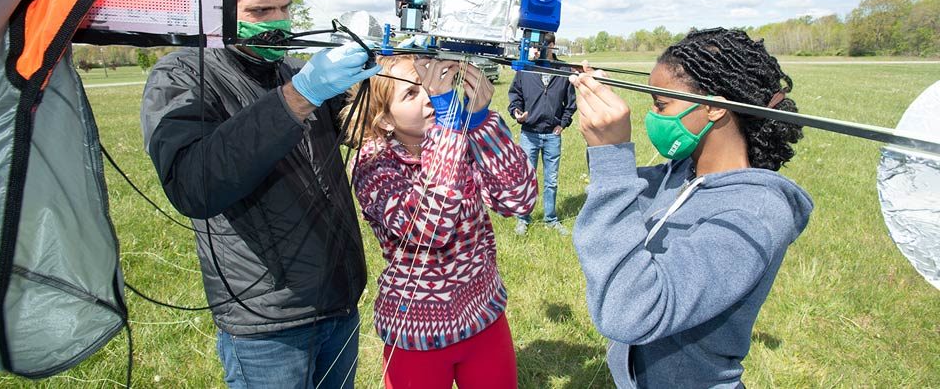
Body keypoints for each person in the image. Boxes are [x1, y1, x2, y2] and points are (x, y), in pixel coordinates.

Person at [140, 0, 380, 389]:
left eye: (284, 8)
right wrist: (298, 98)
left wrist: (385, 66)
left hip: (338, 301)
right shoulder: (182, 76)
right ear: (217, 13)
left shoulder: (293, 70)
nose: (278, 22)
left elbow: (357, 129)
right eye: (260, 12)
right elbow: (195, 184)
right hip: (268, 325)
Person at [568, 28, 812, 388]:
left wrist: (611, 155)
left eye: (661, 104)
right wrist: (601, 132)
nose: (653, 115)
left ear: (714, 106)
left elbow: (629, 312)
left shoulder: (753, 217)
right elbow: (626, 191)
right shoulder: (687, 172)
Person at [345, 55, 537, 388]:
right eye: (411, 94)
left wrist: (479, 121)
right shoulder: (373, 165)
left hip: (483, 315)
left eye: (433, 86)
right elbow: (429, 228)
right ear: (386, 119)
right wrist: (449, 129)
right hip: (417, 334)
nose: (430, 98)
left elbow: (519, 199)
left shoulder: (461, 136)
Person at [507, 32, 576, 236]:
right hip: (529, 134)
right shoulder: (525, 68)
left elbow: (571, 104)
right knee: (527, 178)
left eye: (539, 46)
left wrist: (562, 125)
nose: (534, 51)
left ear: (552, 46)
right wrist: (516, 113)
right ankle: (523, 219)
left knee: (551, 180)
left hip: (552, 135)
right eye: (532, 46)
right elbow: (515, 97)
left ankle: (551, 219)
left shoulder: (564, 70)